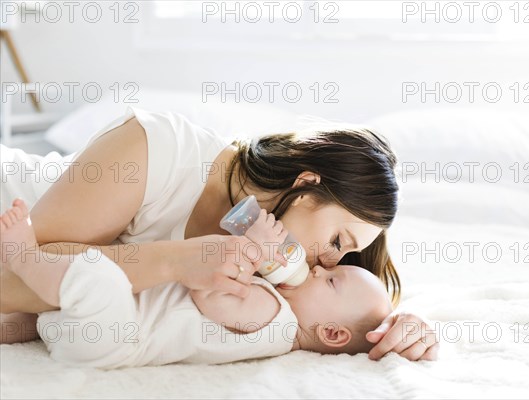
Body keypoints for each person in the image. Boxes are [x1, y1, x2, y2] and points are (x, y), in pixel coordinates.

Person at [0, 107, 438, 361]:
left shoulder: (279, 260)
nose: (327, 264)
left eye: (344, 258)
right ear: (305, 186)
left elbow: (347, 308)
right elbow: (10, 284)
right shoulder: (155, 150)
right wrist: (175, 261)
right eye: (338, 242)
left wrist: (397, 327)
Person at [0, 199, 392, 368]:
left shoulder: (276, 319)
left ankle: (24, 257)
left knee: (98, 277)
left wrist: (254, 249)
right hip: (96, 332)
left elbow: (208, 290)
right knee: (46, 313)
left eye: (332, 281)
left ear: (333, 333)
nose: (320, 268)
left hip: (114, 341)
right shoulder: (276, 314)